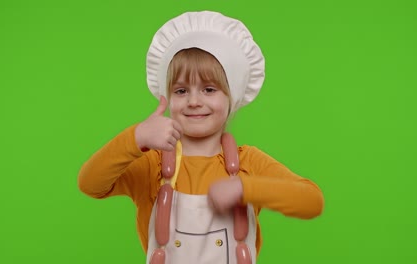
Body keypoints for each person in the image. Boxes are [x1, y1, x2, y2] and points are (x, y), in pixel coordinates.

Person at [78, 11, 324, 263]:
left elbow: (312, 201)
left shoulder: (249, 163)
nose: (194, 101)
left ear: (232, 97)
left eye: (209, 89)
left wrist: (245, 188)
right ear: (168, 97)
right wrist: (136, 136)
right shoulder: (153, 164)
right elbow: (90, 184)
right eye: (181, 90)